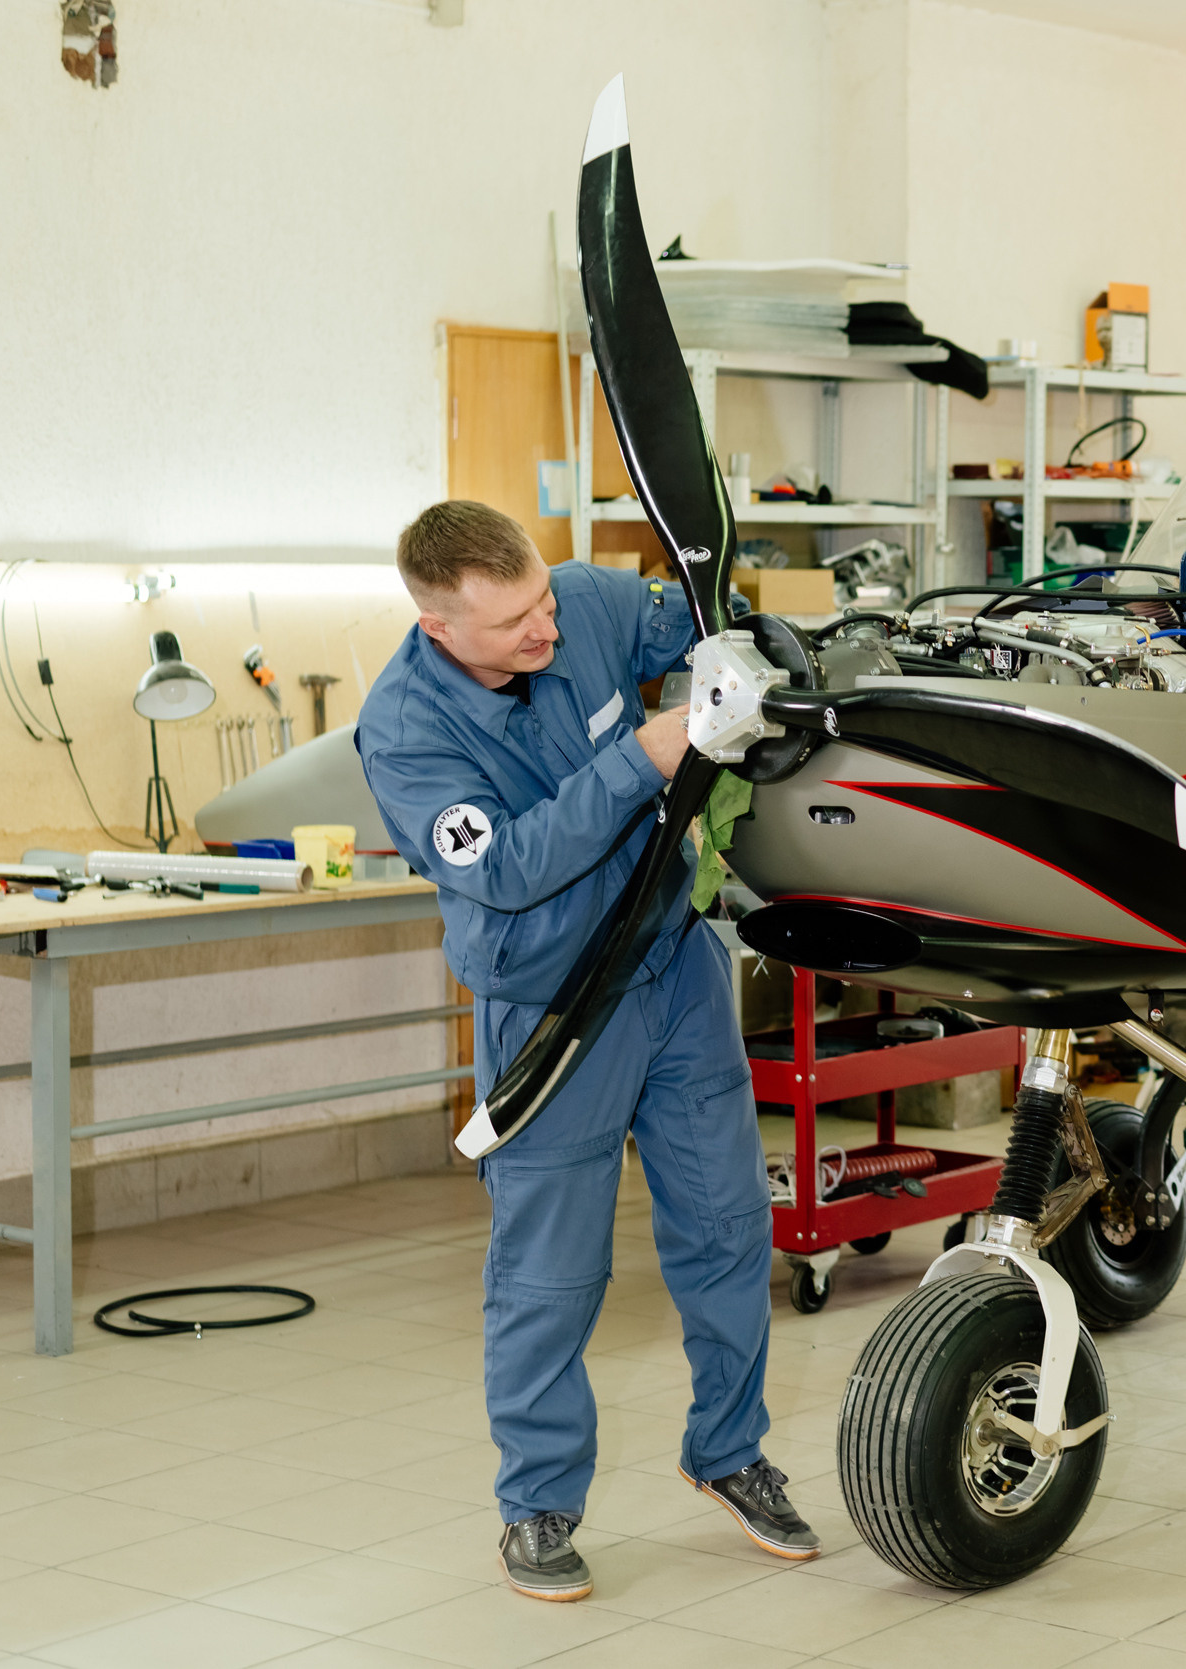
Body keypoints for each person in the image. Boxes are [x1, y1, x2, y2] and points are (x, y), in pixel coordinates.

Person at [356, 501, 814, 1602]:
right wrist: (651, 755)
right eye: (514, 622)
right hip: (554, 1007)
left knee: (726, 1226)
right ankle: (540, 1504)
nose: (545, 630)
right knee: (552, 1274)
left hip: (671, 967)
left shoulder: (587, 603)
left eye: (544, 601)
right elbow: (507, 867)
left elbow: (710, 626)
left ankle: (729, 1452)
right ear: (438, 626)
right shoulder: (404, 729)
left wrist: (750, 651)